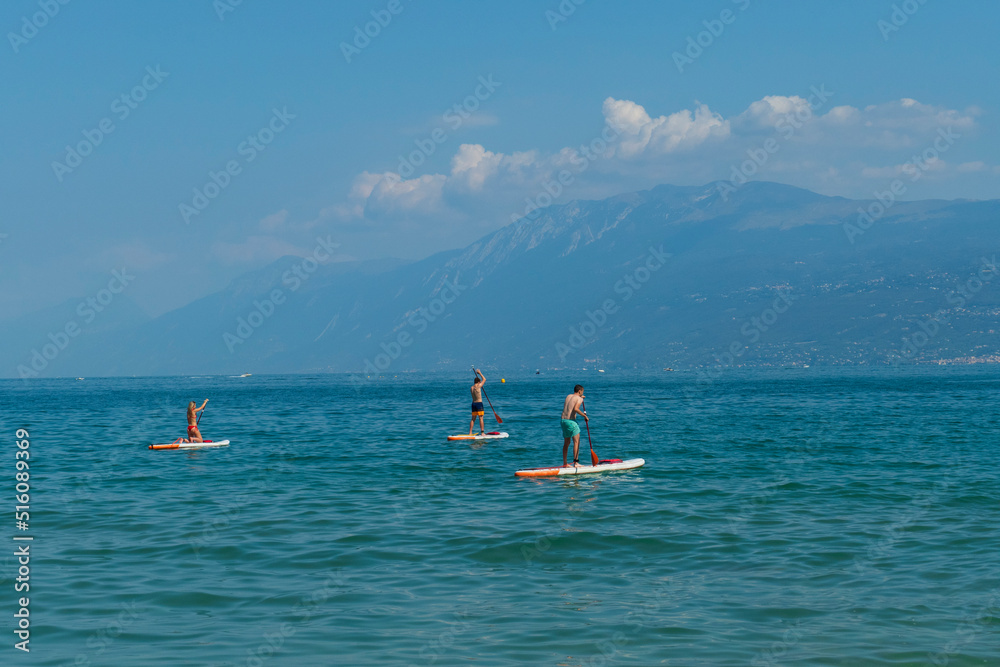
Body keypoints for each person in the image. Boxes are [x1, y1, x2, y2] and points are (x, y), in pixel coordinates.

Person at [561, 385, 588, 467]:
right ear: (580, 391)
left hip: (563, 421)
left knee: (566, 443)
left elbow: (574, 399)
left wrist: (581, 397)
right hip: (571, 422)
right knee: (576, 442)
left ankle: (565, 463)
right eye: (582, 392)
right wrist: (584, 416)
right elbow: (576, 409)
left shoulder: (568, 396)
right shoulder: (579, 399)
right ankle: (576, 463)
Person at [469, 369, 486, 436]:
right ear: (479, 382)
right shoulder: (478, 386)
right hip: (479, 404)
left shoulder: (471, 388)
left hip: (473, 404)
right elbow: (484, 379)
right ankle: (482, 433)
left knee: (473, 419)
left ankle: (470, 432)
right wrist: (480, 373)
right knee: (481, 418)